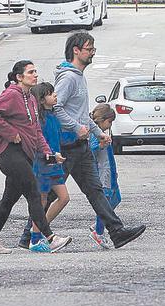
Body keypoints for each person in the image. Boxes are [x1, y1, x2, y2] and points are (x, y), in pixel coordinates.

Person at [21, 32, 145, 249]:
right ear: (76, 51)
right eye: (89, 49)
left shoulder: (78, 76)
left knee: (95, 190)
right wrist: (76, 128)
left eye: (93, 49)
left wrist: (97, 133)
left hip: (81, 146)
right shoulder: (69, 78)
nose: (92, 53)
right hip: (68, 146)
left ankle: (117, 232)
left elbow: (81, 114)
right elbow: (54, 106)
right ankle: (28, 236)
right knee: (51, 194)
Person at [0, 61, 72, 254]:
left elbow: (37, 131)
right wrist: (9, 132)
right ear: (19, 77)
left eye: (35, 71)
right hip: (10, 153)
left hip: (26, 154)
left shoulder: (30, 98)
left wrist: (48, 152)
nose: (35, 75)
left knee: (9, 199)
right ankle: (49, 238)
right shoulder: (11, 95)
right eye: (31, 72)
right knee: (34, 193)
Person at [28, 82, 70, 248]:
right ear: (42, 99)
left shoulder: (53, 116)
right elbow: (39, 143)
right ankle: (36, 238)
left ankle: (37, 232)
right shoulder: (40, 120)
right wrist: (51, 155)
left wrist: (79, 136)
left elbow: (61, 137)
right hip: (42, 166)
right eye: (50, 93)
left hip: (55, 165)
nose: (55, 95)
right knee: (42, 200)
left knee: (64, 198)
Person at [89, 104, 120, 249]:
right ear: (103, 120)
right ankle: (99, 231)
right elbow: (91, 151)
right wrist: (101, 145)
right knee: (106, 201)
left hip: (109, 171)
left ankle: (99, 222)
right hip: (102, 173)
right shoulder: (95, 134)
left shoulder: (102, 133)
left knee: (116, 198)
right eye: (110, 122)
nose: (110, 125)